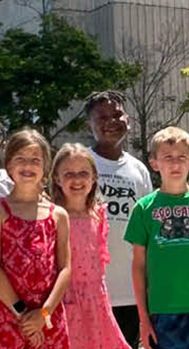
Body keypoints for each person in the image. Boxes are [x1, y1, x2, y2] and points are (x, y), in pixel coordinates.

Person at [124, 126, 189, 349]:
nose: (175, 164)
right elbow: (138, 266)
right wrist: (144, 319)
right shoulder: (144, 209)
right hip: (164, 313)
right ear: (154, 163)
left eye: (181, 157)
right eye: (167, 157)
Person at [0, 128, 71, 349]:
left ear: (45, 167)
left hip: (48, 316)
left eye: (35, 160)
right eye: (20, 159)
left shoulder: (58, 215)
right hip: (8, 314)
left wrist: (43, 314)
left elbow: (65, 269)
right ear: (9, 165)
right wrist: (23, 315)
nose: (27, 165)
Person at [84, 90, 153, 347]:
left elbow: (147, 231)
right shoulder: (81, 163)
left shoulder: (139, 170)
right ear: (88, 125)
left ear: (128, 120)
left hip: (131, 292)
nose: (111, 121)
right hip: (89, 291)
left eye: (117, 115)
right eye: (101, 117)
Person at [50, 143, 129, 349]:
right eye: (68, 173)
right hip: (65, 301)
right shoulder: (52, 216)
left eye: (83, 173)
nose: (76, 179)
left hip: (97, 303)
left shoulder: (98, 214)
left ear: (94, 177)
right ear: (57, 179)